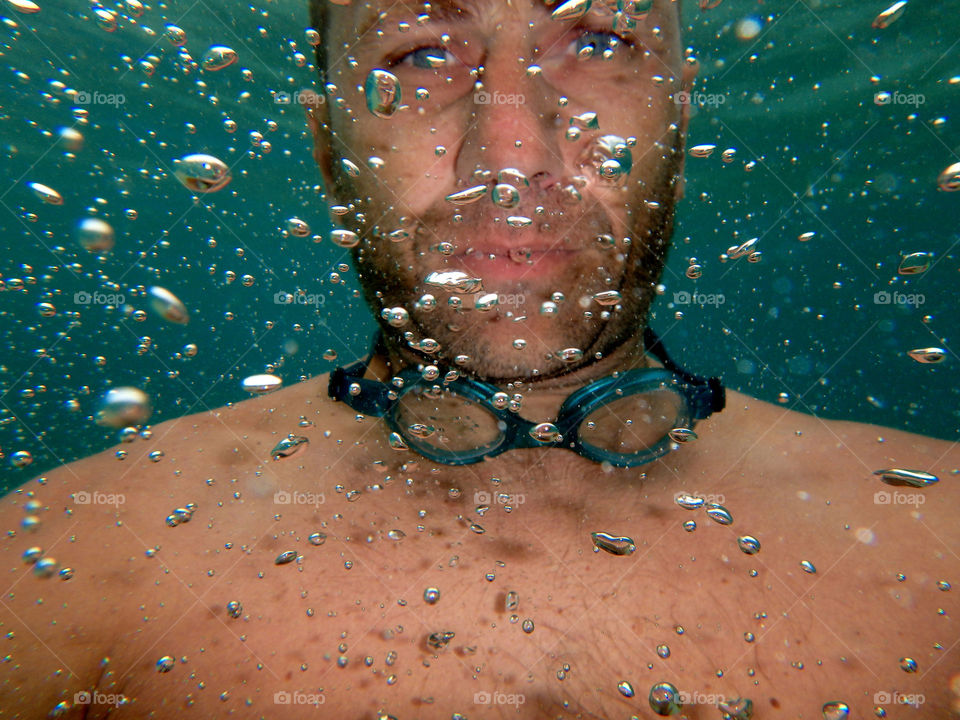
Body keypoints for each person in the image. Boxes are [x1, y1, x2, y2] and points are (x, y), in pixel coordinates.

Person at [2, 1, 957, 718]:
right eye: (420, 54)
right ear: (327, 140)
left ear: (680, 107)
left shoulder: (938, 559)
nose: (511, 152)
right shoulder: (78, 562)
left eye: (597, 42)